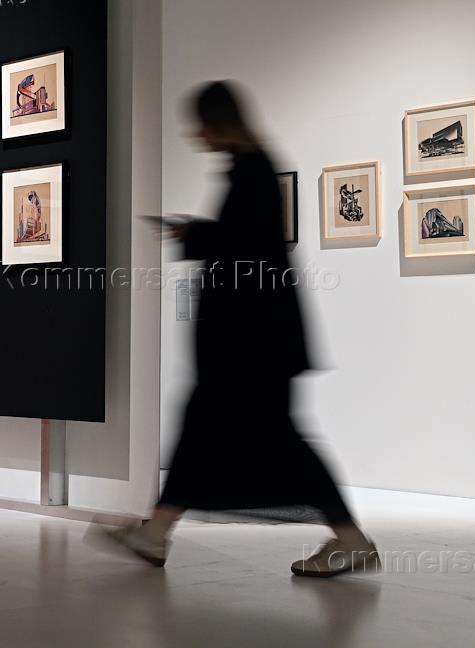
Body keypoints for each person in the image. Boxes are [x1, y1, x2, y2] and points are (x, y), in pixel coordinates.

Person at [107, 80, 377, 578]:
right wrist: (200, 234)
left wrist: (196, 234)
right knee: (211, 434)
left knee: (267, 443)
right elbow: (248, 244)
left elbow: (248, 251)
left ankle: (351, 540)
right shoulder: (251, 167)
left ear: (217, 122)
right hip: (253, 342)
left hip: (251, 346)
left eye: (200, 124)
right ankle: (157, 531)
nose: (195, 135)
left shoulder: (252, 169)